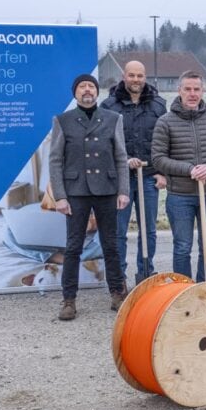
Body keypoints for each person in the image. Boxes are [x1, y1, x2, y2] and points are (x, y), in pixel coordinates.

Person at [49, 74, 131, 320]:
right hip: (76, 191)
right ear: (75, 93)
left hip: (107, 189)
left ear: (97, 91)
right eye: (82, 86)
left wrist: (123, 190)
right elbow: (55, 161)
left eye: (91, 86)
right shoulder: (62, 121)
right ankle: (69, 300)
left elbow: (121, 157)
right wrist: (60, 196)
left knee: (111, 245)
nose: (87, 90)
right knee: (73, 247)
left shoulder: (113, 119)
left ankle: (117, 294)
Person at [151, 71, 206, 283]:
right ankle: (184, 289)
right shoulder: (165, 122)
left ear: (202, 91)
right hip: (180, 196)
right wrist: (189, 169)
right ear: (179, 91)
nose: (192, 93)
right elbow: (158, 158)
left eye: (197, 89)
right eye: (188, 89)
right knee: (182, 246)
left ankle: (205, 287)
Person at [101, 60, 167, 284]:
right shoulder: (109, 106)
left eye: (140, 75)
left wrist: (161, 172)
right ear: (124, 77)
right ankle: (118, 280)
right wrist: (124, 161)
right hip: (120, 179)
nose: (136, 80)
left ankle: (146, 274)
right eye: (132, 75)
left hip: (148, 177)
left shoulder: (158, 105)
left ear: (145, 77)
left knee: (148, 230)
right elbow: (104, 142)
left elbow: (164, 142)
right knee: (118, 232)